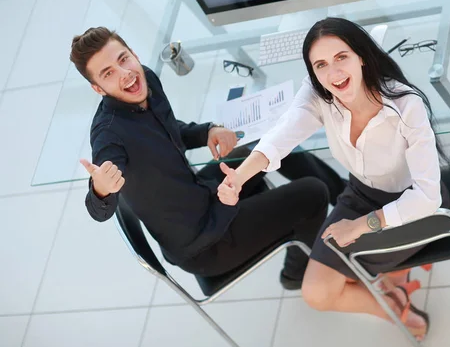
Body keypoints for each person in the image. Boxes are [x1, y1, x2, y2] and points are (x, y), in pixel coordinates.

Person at [217, 17, 450, 339]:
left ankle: (395, 270)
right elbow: (283, 134)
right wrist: (239, 177)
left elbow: (427, 198)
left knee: (347, 272)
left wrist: (359, 226)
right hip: (360, 196)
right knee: (317, 293)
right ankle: (392, 304)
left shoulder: (404, 104)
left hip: (413, 207)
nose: (334, 73)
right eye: (321, 64)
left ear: (361, 56)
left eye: (341, 57)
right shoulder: (318, 94)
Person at [70, 27, 347, 290]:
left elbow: (167, 129)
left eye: (124, 59)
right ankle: (296, 273)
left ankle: (347, 199)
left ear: (134, 54)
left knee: (269, 144)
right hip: (205, 244)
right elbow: (99, 208)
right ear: (98, 89)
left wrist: (208, 132)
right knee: (312, 193)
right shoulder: (108, 136)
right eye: (108, 73)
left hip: (200, 194)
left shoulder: (147, 79)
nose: (125, 74)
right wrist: (101, 189)